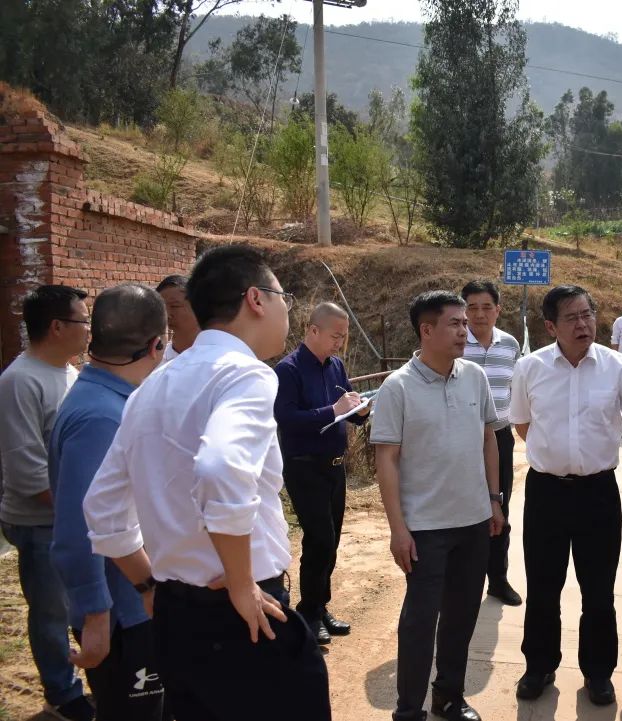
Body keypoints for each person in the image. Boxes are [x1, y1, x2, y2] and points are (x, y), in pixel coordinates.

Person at [83, 244, 331, 721]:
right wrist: (239, 583)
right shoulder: (247, 375)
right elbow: (220, 468)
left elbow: (102, 510)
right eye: (284, 297)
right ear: (256, 299)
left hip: (176, 619)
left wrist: (148, 587)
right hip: (246, 617)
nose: (287, 310)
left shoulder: (153, 386)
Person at [511, 285, 622, 706]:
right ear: (550, 326)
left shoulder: (618, 366)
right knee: (543, 586)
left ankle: (598, 672)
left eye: (587, 314)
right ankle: (539, 666)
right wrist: (555, 455)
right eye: (572, 317)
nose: (583, 324)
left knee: (598, 590)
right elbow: (522, 424)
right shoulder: (530, 367)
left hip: (598, 493)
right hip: (546, 493)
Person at [371, 290, 505, 721]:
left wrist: (494, 499)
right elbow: (387, 459)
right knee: (420, 621)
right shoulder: (398, 387)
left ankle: (449, 697)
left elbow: (489, 438)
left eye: (466, 323)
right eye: (455, 323)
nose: (465, 331)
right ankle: (409, 710)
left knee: (461, 617)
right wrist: (398, 529)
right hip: (425, 528)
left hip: (474, 521)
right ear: (426, 330)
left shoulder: (474, 377)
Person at [49, 284, 168, 721]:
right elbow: (79, 527)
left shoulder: (108, 400)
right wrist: (96, 615)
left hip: (129, 603)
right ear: (157, 345)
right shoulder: (102, 416)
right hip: (124, 610)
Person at [0, 284, 94, 721]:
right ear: (57, 327)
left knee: (83, 603)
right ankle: (62, 693)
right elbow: (27, 470)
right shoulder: (19, 381)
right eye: (83, 321)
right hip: (41, 521)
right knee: (52, 610)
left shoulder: (71, 373)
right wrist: (80, 510)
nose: (89, 330)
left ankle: (91, 678)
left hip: (74, 516)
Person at [274, 301, 369, 644]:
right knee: (319, 540)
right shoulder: (288, 370)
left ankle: (320, 605)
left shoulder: (336, 366)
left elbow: (345, 409)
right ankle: (308, 614)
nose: (340, 343)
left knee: (332, 541)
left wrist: (360, 411)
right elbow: (286, 419)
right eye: (335, 336)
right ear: (313, 330)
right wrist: (333, 410)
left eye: (344, 337)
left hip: (334, 466)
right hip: (304, 467)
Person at [461, 280, 523, 606]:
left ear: (498, 310)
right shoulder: (455, 343)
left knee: (499, 506)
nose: (479, 314)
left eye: (486, 307)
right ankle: (463, 581)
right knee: (462, 508)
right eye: (472, 307)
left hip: (499, 437)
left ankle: (498, 580)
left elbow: (519, 389)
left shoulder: (510, 345)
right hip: (460, 438)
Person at [155, 275, 199, 362]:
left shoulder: (218, 360)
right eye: (161, 307)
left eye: (175, 306)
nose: (166, 315)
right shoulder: (152, 362)